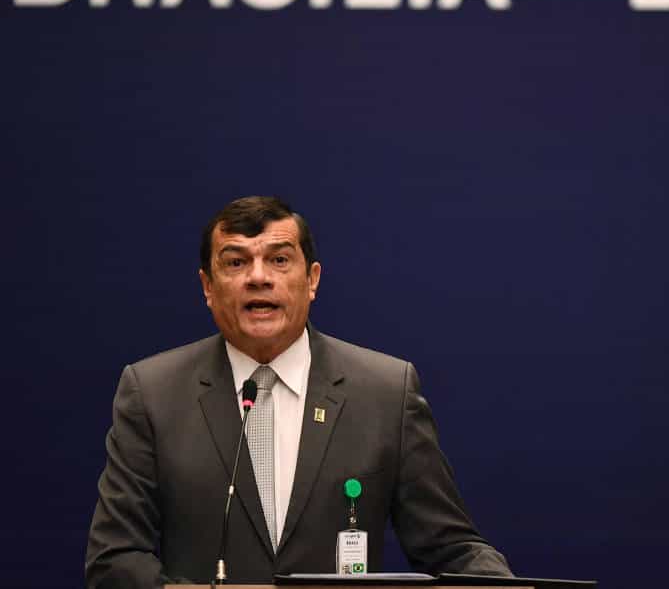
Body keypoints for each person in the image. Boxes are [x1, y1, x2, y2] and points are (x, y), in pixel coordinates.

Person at [86, 196, 511, 588]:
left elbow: (450, 548)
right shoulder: (153, 393)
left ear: (312, 280)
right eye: (236, 262)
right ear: (208, 287)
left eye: (279, 260)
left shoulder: (385, 392)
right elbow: (115, 558)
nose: (258, 277)